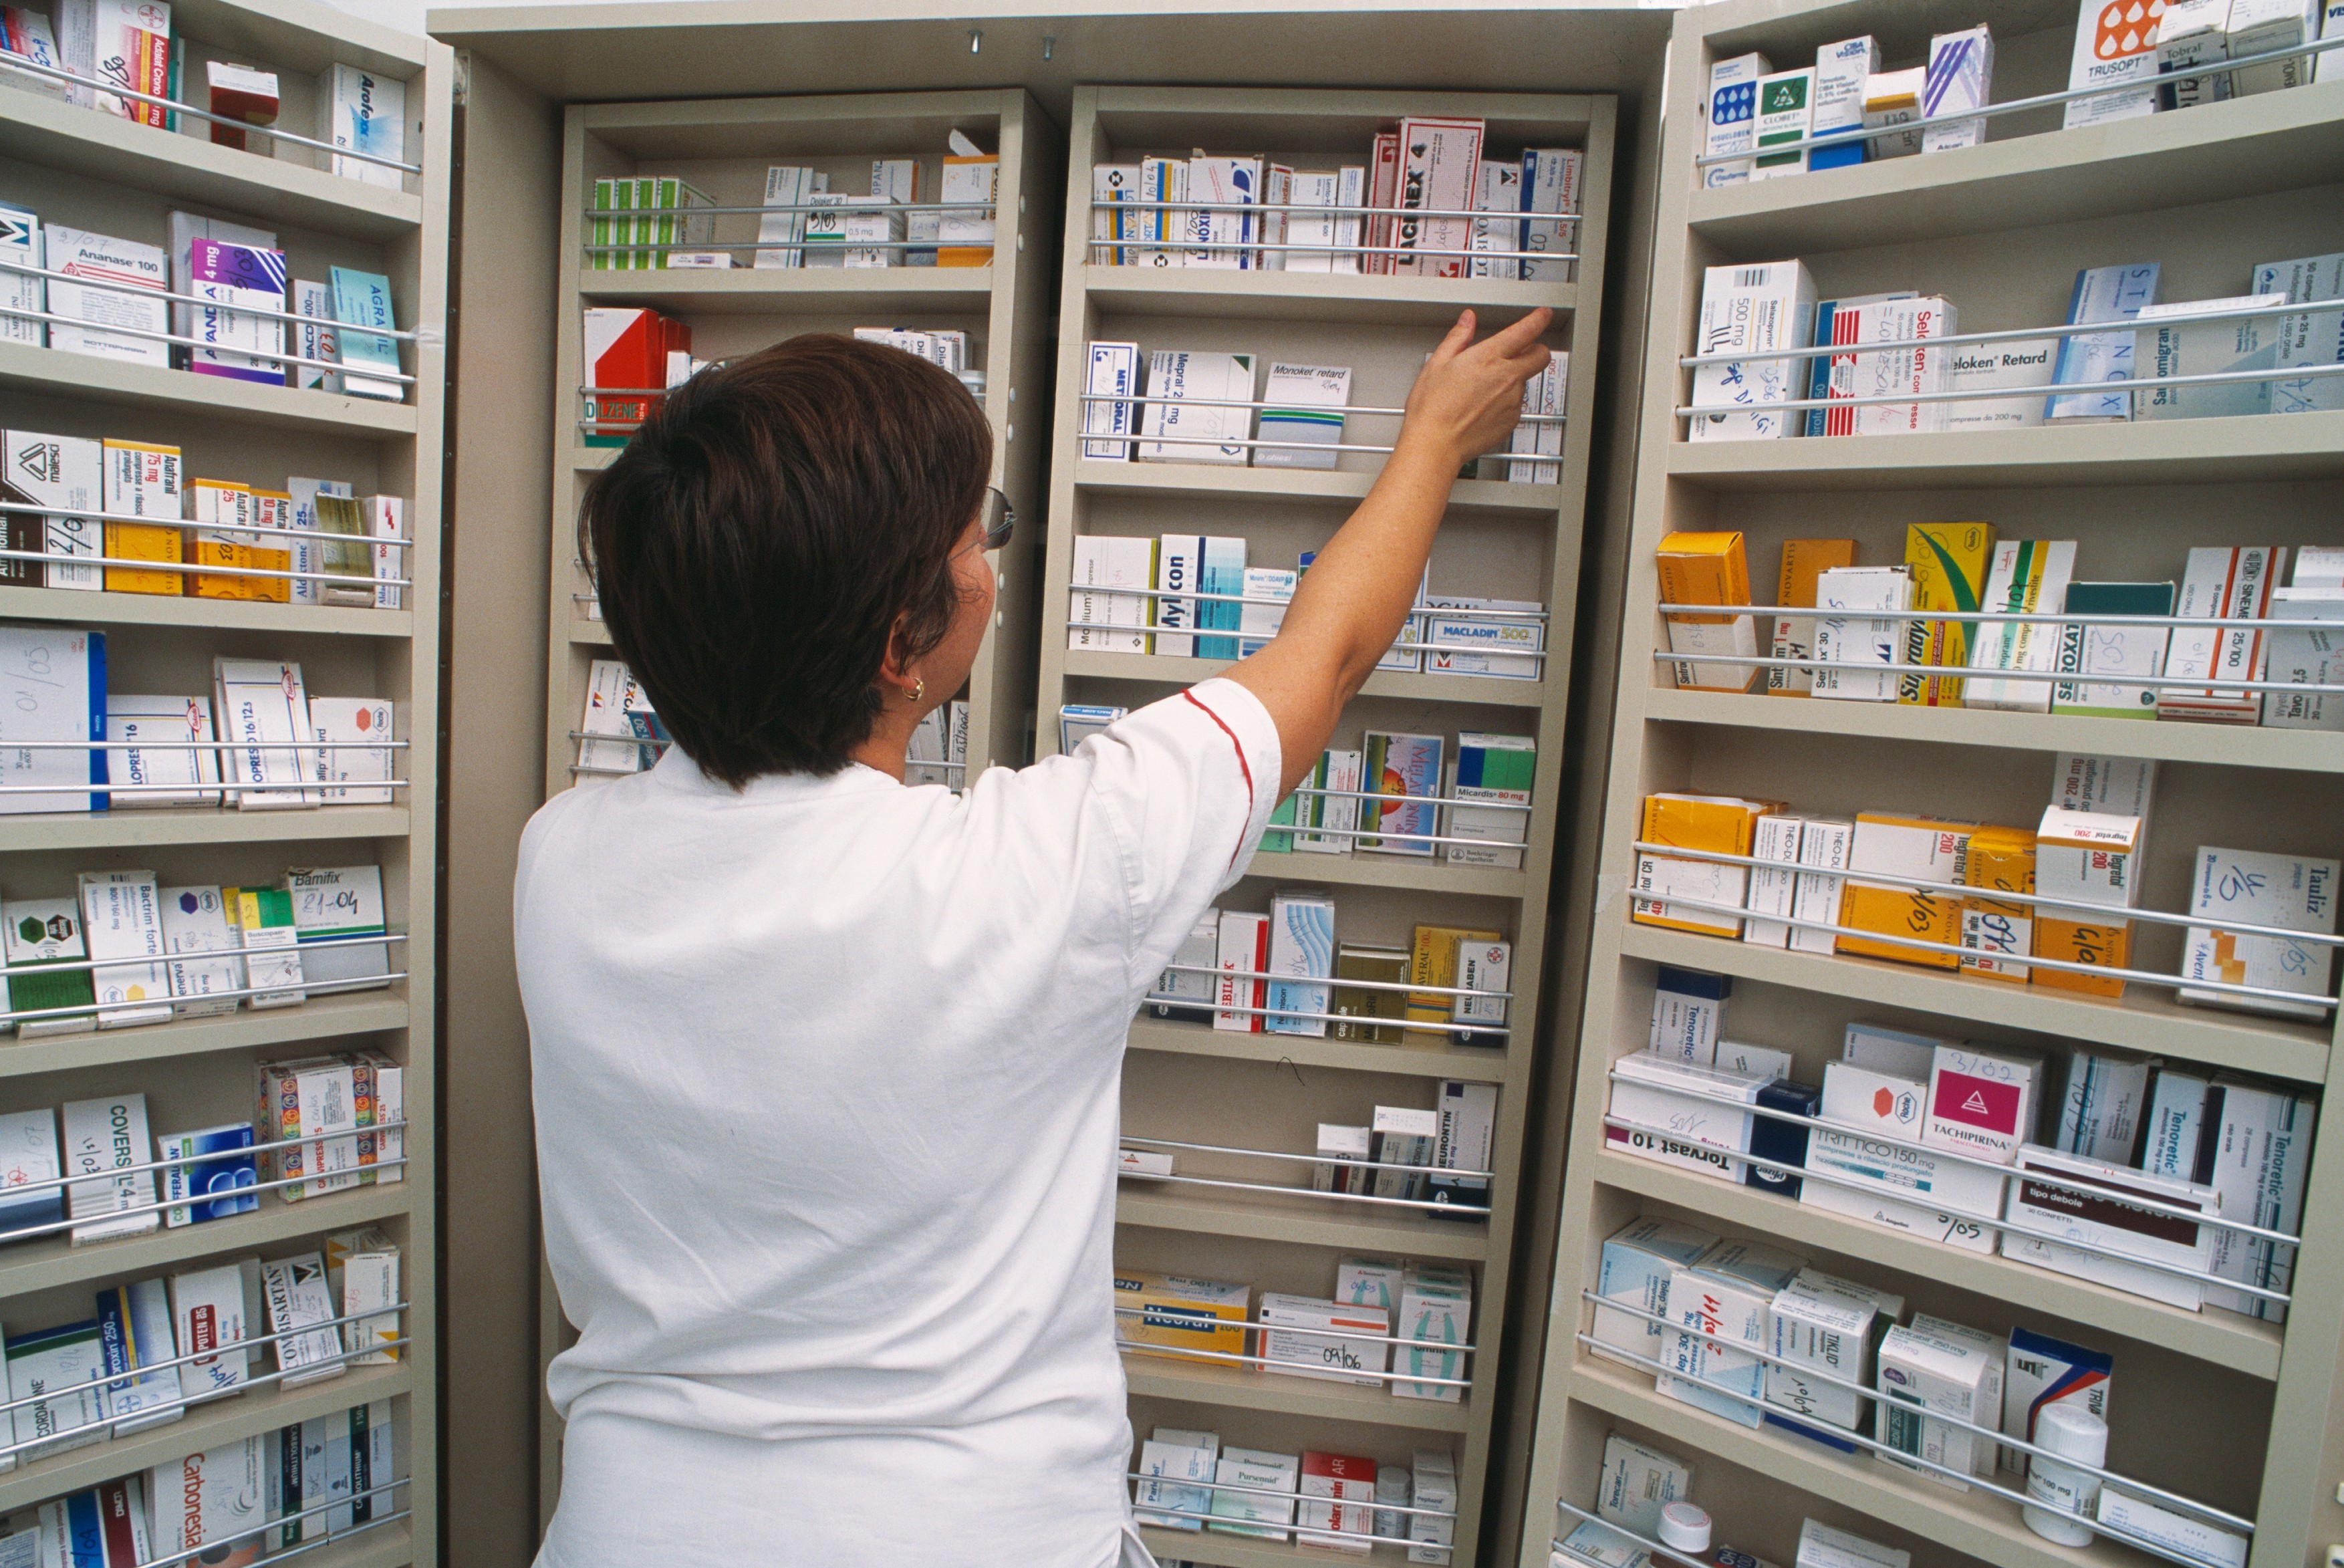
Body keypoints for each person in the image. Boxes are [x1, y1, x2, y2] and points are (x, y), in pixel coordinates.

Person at [515, 309, 1552, 1568]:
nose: (993, 564)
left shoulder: (559, 861)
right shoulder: (1044, 870)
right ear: (905, 642)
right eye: (981, 537)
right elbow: (1321, 658)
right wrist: (1436, 435)